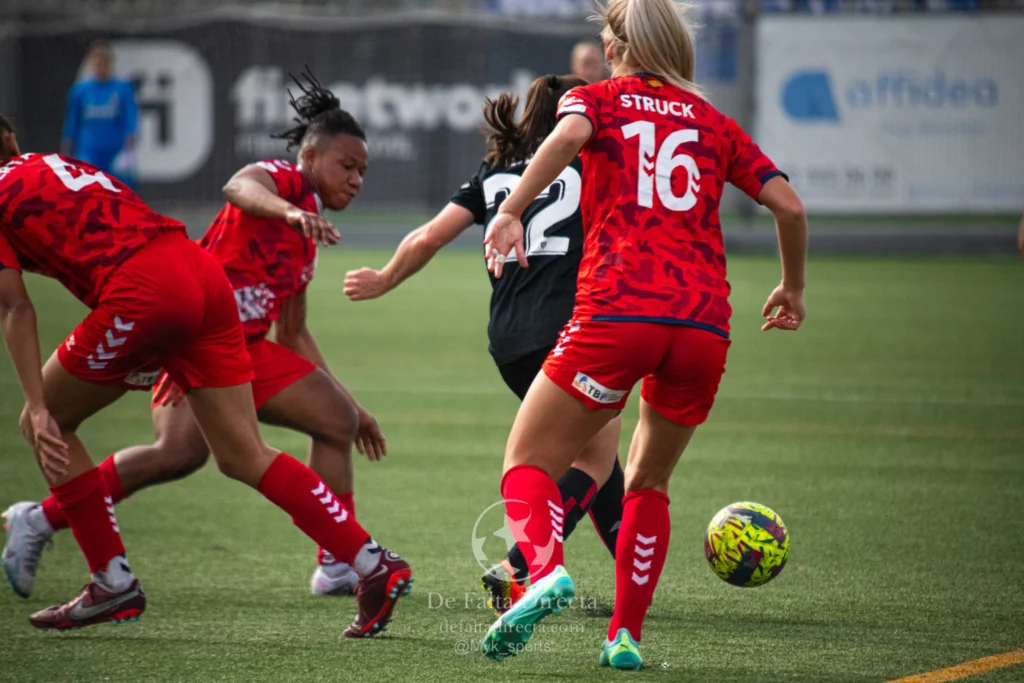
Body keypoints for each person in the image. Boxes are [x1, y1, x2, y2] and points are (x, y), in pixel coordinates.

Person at [477, 0, 808, 669]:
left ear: (616, 45)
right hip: (702, 326)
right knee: (648, 483)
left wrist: (511, 210)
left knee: (526, 463)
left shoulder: (600, 100)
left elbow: (566, 140)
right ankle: (624, 636)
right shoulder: (717, 123)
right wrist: (791, 287)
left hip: (617, 313)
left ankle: (543, 573)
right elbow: (789, 204)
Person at [0, 113, 411, 637]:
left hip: (155, 295)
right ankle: (371, 565)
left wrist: (36, 405)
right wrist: (288, 213)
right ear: (12, 139)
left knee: (49, 419)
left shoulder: (302, 215)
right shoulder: (53, 163)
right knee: (232, 455)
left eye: (362, 170)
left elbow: (14, 308)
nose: (356, 178)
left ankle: (109, 577)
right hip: (198, 282)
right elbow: (240, 187)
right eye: (348, 165)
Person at [343, 73, 625, 613]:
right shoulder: (588, 160)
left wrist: (384, 278)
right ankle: (517, 568)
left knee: (590, 450)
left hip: (509, 341)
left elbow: (427, 236)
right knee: (594, 459)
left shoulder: (495, 171)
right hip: (571, 329)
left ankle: (624, 580)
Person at [61, 41, 139, 187]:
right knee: (89, 185)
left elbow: (130, 115)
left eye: (104, 63)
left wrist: (130, 139)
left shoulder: (122, 88)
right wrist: (68, 142)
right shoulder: (80, 90)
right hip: (89, 147)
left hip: (115, 147)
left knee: (118, 186)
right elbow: (73, 119)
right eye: (96, 64)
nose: (100, 68)